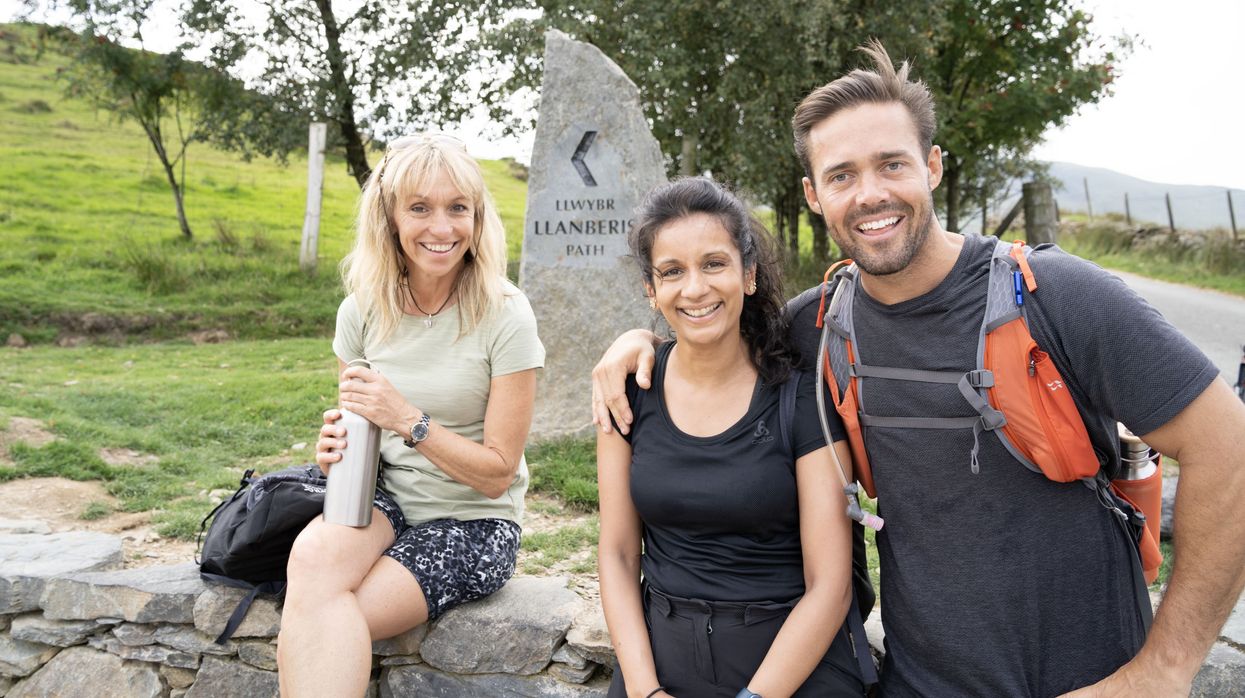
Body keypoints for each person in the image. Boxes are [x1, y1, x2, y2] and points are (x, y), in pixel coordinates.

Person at [593, 41, 1245, 697]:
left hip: (1088, 679)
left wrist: (1162, 668)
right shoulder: (815, 325)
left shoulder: (1054, 296)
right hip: (918, 683)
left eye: (891, 165)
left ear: (932, 166)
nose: (869, 194)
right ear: (812, 195)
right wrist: (636, 343)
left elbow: (1230, 447)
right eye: (841, 175)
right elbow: (709, 330)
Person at [275, 134, 545, 696]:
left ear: (477, 216)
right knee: (312, 561)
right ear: (390, 218)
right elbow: (361, 435)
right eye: (420, 208)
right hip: (385, 501)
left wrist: (408, 419)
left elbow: (497, 473)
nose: (441, 228)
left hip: (474, 520)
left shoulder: (507, 314)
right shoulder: (363, 310)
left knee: (326, 612)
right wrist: (333, 455)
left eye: (457, 208)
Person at [598, 177, 872, 698]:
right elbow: (615, 554)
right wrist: (643, 689)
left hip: (791, 663)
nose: (695, 288)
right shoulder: (627, 396)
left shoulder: (801, 398)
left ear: (747, 274)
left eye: (714, 264)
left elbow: (831, 586)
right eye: (673, 272)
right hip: (662, 656)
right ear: (651, 291)